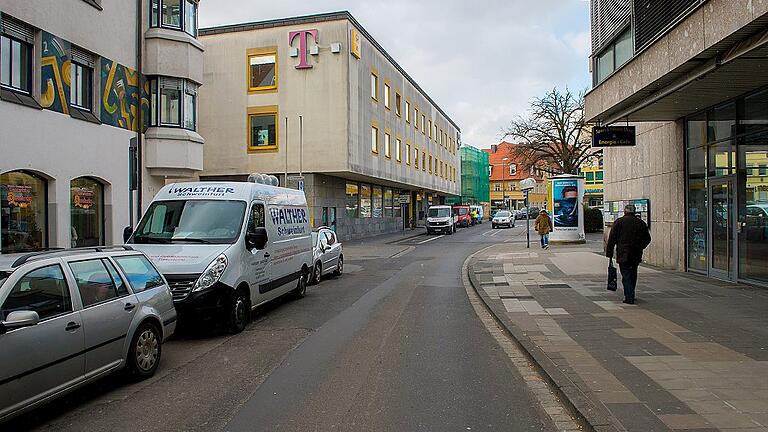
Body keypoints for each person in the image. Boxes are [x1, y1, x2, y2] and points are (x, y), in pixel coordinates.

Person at [606, 204, 652, 304]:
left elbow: (612, 239)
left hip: (623, 253)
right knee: (633, 274)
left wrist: (609, 252)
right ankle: (631, 293)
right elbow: (647, 239)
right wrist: (641, 246)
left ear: (624, 211)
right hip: (636, 253)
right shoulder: (640, 223)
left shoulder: (619, 222)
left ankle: (629, 296)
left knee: (626, 274)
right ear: (634, 211)